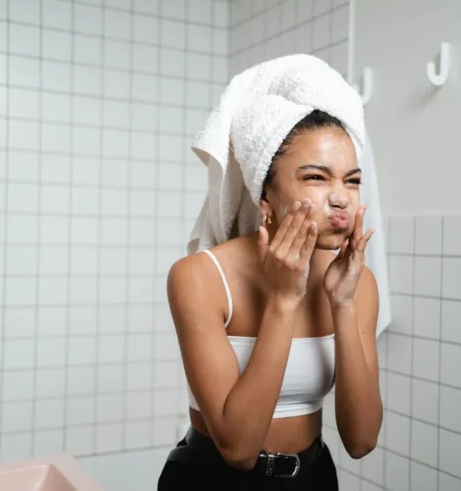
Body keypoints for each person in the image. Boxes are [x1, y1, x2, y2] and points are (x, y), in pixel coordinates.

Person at [158, 56, 382, 489]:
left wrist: (344, 303)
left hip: (314, 478)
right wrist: (282, 300)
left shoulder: (356, 283)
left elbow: (362, 439)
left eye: (351, 181)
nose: (341, 199)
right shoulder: (199, 278)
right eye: (317, 178)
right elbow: (238, 449)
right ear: (265, 197)